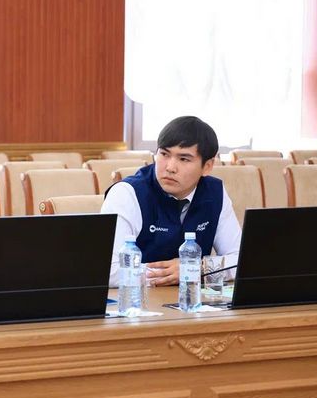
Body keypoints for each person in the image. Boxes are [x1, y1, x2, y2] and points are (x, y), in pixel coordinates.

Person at [101, 116, 241, 287]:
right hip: (139, 299)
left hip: (192, 299)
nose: (170, 167)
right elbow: (108, 270)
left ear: (207, 166)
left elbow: (240, 259)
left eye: (184, 159)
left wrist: (198, 268)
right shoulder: (127, 193)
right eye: (164, 154)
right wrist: (177, 273)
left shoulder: (214, 192)